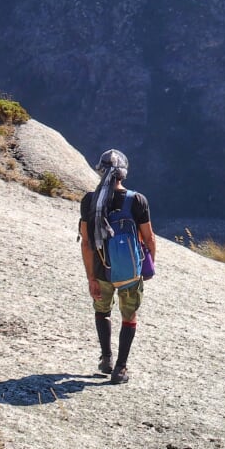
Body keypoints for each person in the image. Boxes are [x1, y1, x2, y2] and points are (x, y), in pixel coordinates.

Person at [78, 149, 156, 383]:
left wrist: (91, 277)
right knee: (129, 316)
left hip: (102, 270)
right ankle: (120, 368)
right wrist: (147, 264)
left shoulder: (90, 201)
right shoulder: (137, 200)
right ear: (123, 174)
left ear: (100, 171)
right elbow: (149, 237)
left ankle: (106, 358)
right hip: (130, 271)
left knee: (102, 311)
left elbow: (86, 243)